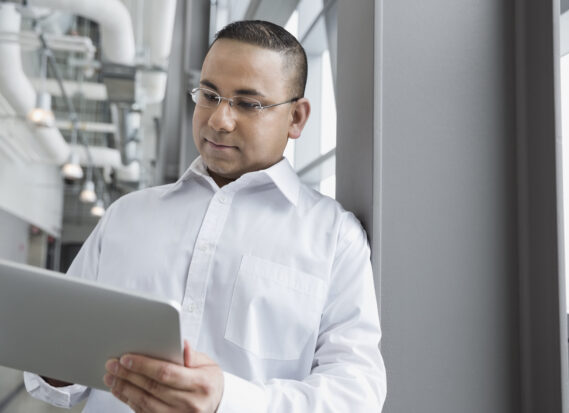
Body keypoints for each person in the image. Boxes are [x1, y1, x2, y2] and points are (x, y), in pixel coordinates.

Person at [24, 20, 386, 412]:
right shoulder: (126, 216)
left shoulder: (335, 239)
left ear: (296, 118)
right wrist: (56, 365)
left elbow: (357, 394)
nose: (218, 120)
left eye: (248, 104)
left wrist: (227, 400)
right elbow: (56, 370)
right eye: (210, 95)